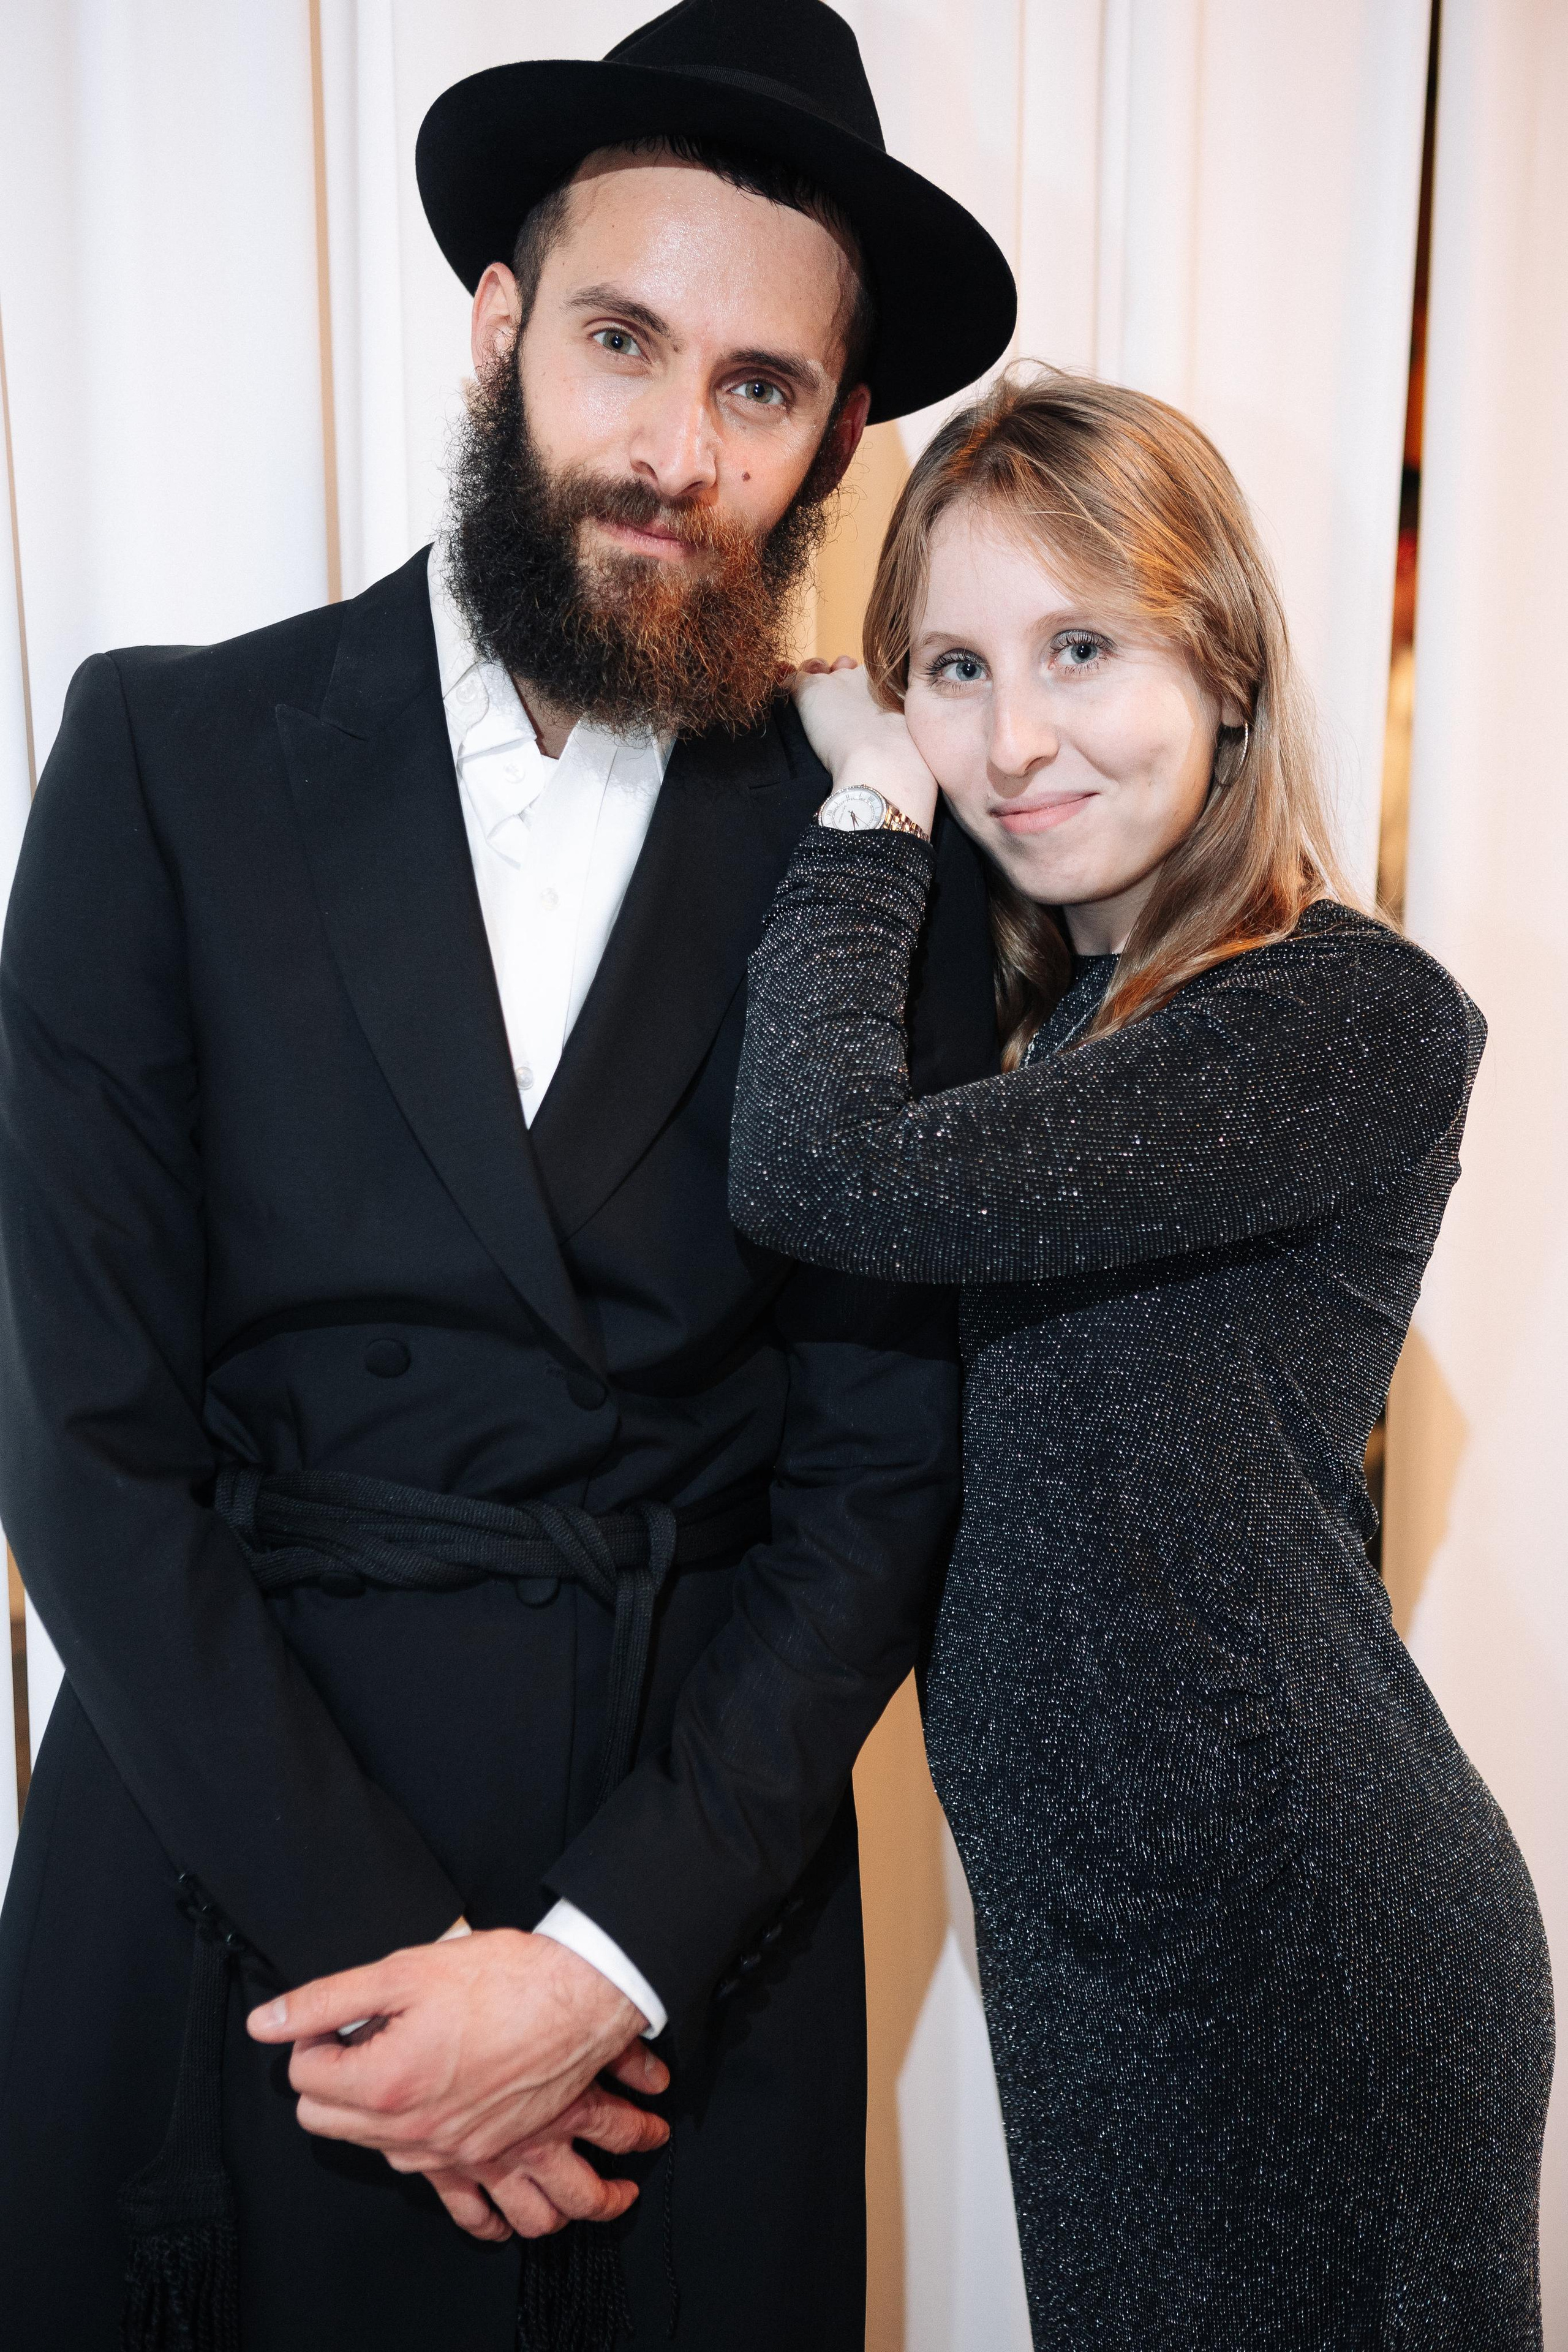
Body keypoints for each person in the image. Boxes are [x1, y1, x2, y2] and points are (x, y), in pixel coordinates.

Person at [0, 7, 1017, 2348]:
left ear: (839, 434)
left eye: (759, 387)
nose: (673, 448)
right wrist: (410, 1993)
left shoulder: (890, 872)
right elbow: (85, 1437)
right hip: (228, 1893)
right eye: (622, 341)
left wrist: (588, 1974)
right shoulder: (167, 756)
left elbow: (881, 1492)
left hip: (677, 1941)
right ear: (499, 324)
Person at [729, 368, 1554, 2349]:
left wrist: (863, 799)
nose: (1012, 741)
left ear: (1228, 666)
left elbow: (810, 1164)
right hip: (1107, 1942)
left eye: (1080, 648)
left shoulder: (1340, 1019)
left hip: (1297, 1939)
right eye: (949, 668)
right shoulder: (1063, 1033)